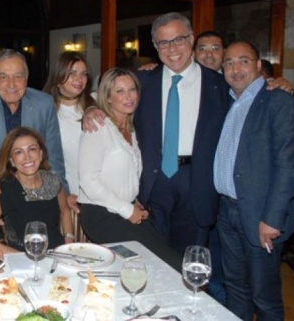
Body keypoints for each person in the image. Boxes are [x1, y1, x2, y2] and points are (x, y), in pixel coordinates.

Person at [84, 13, 232, 255]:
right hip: (152, 183)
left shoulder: (219, 86)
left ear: (191, 39)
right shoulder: (142, 81)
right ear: (155, 46)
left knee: (187, 259)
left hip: (197, 182)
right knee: (149, 258)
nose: (171, 48)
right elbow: (106, 95)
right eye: (163, 42)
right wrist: (91, 109)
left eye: (178, 40)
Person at [214, 41, 294, 320]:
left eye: (243, 61)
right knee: (235, 288)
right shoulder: (229, 102)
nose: (236, 69)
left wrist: (272, 219)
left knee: (264, 298)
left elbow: (288, 166)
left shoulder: (280, 102)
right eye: (229, 63)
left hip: (260, 215)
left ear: (258, 65)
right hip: (227, 212)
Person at [78, 68, 182, 271]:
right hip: (102, 215)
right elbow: (88, 181)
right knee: (167, 264)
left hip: (125, 209)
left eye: (132, 89)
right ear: (107, 97)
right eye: (120, 91)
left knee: (161, 259)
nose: (129, 96)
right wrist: (127, 210)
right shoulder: (98, 127)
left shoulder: (131, 129)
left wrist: (133, 201)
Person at [0, 49, 67, 205]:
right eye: (3, 77)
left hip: (37, 196)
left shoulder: (44, 104)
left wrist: (62, 200)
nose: (11, 84)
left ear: (26, 78)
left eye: (18, 77)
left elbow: (54, 158)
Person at [0, 127, 74, 254]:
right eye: (19, 152)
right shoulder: (5, 189)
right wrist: (20, 257)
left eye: (32, 149)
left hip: (58, 255)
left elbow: (65, 210)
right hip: (21, 259)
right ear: (12, 160)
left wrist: (69, 240)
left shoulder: (53, 180)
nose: (27, 157)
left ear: (41, 154)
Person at [43, 51, 95, 210]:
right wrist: (63, 193)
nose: (79, 79)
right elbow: (45, 162)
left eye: (83, 74)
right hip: (66, 196)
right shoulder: (47, 112)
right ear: (58, 77)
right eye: (72, 73)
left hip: (100, 195)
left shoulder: (96, 104)